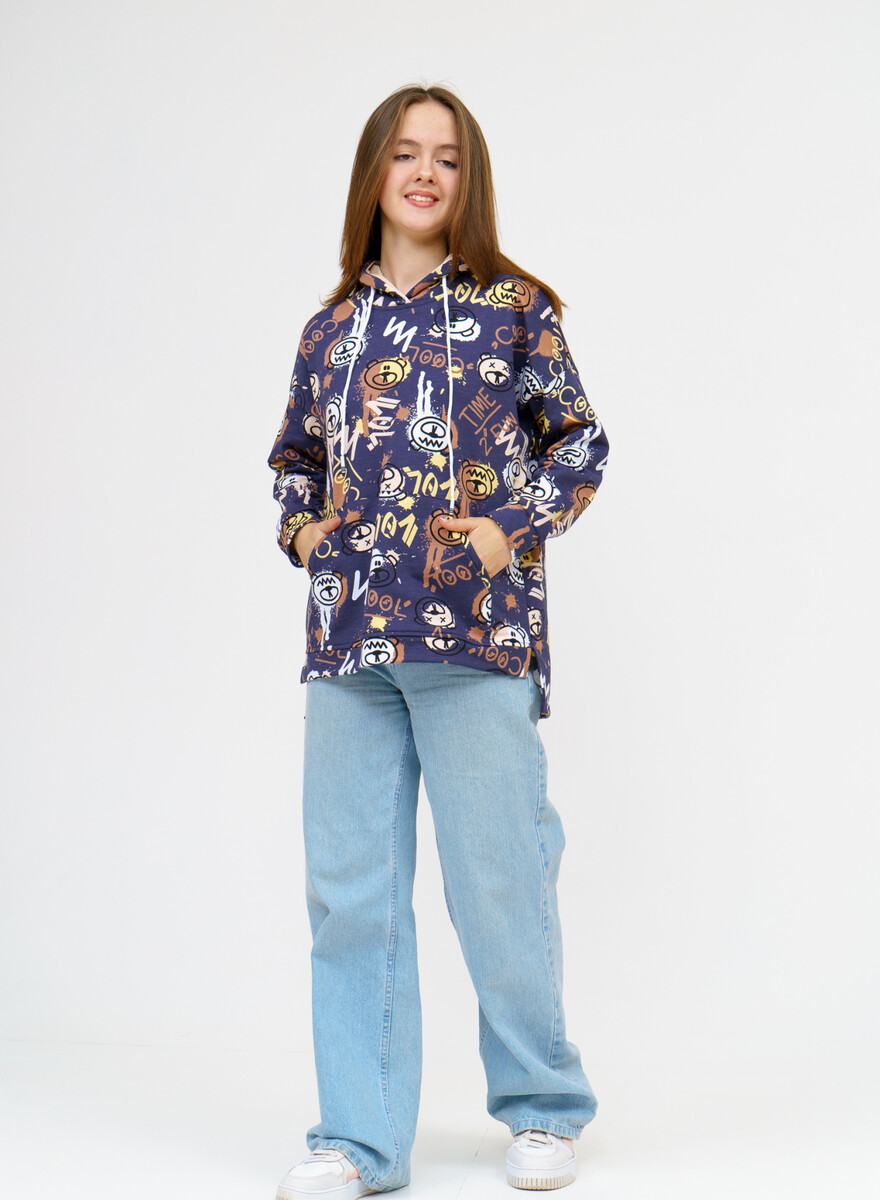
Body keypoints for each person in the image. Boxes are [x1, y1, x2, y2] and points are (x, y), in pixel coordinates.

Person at [267, 82, 610, 1199]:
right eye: (406, 153)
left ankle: (544, 1108)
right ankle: (359, 1142)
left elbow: (580, 445)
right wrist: (305, 531)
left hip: (477, 639)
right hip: (350, 648)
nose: (425, 172)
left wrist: (511, 529)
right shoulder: (329, 331)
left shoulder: (516, 307)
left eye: (448, 158)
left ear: (470, 181)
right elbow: (293, 461)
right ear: (373, 172)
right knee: (350, 897)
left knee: (500, 881)